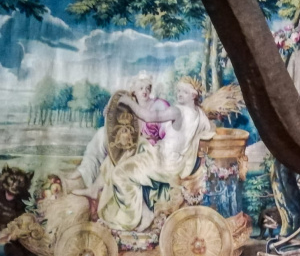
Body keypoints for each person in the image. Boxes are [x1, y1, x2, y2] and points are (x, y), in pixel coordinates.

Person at [97, 77, 214, 231]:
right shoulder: (200, 114)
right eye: (178, 90)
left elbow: (150, 117)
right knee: (136, 152)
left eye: (184, 92)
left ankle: (139, 216)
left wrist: (128, 102)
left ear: (193, 95)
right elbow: (211, 131)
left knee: (120, 173)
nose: (179, 94)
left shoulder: (177, 111)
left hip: (164, 162)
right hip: (175, 161)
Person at [72, 72, 170, 198]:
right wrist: (110, 112)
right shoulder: (128, 105)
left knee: (116, 159)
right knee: (104, 140)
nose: (144, 91)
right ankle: (86, 174)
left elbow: (167, 133)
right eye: (141, 88)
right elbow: (117, 127)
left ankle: (94, 189)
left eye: (147, 88)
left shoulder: (159, 105)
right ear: (134, 90)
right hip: (135, 146)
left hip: (150, 150)